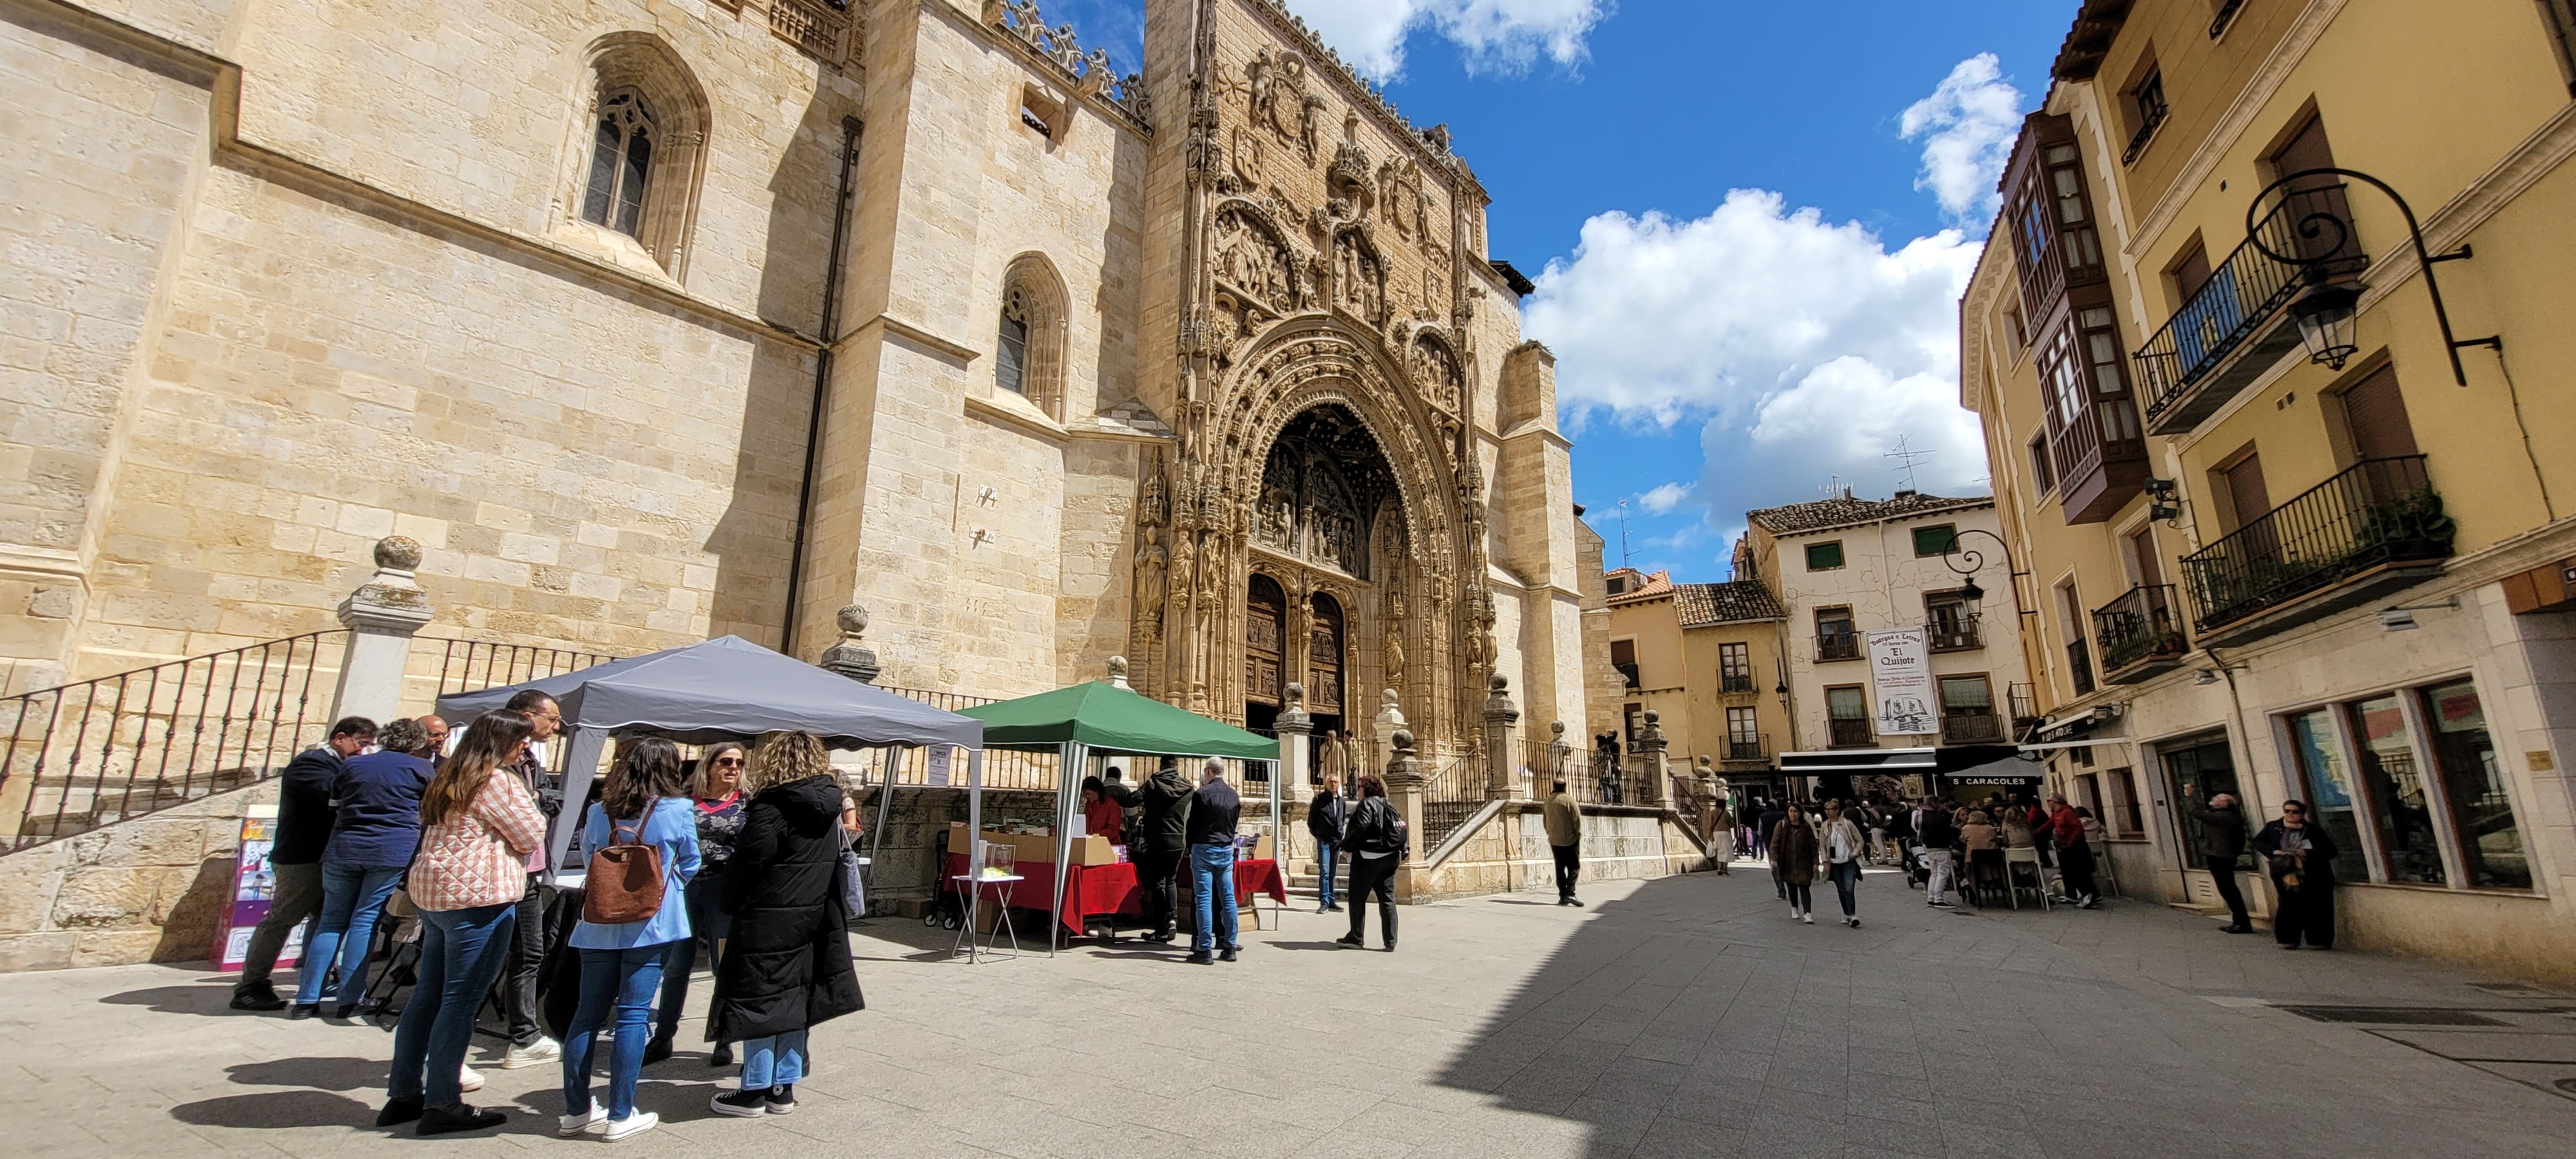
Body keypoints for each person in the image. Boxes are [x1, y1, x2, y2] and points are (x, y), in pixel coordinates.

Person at [379, 710, 544, 1136]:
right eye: (520, 740)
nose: (525, 747)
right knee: (461, 1000)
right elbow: (531, 835)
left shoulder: (449, 773)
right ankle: (443, 1102)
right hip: (479, 897)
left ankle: (404, 1093)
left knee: (428, 995)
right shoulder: (498, 780)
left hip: (435, 896)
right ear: (501, 742)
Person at [708, 731, 864, 1117]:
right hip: (811, 915)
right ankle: (784, 1087)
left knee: (760, 998)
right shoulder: (828, 807)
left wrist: (728, 902)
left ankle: (755, 1089)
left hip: (767, 916)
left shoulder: (772, 807)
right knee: (795, 996)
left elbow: (749, 861)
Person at [557, 739, 699, 1141]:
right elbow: (690, 860)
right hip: (652, 922)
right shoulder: (676, 809)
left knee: (587, 1015)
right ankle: (621, 1112)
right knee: (634, 1015)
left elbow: (589, 856)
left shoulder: (598, 811)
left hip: (599, 920)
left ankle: (576, 1109)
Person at [233, 715, 374, 1012]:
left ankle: (317, 978)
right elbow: (332, 793)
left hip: (327, 857)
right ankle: (251, 985)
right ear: (340, 738)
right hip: (302, 858)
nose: (363, 752)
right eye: (360, 744)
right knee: (283, 918)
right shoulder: (311, 764)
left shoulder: (338, 764)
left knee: (325, 919)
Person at [293, 717, 430, 1019]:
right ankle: (350, 998)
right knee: (365, 922)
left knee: (331, 921)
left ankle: (306, 999)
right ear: (417, 742)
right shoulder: (422, 769)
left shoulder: (353, 766)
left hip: (344, 847)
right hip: (389, 850)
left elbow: (335, 802)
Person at [649, 740, 750, 1067]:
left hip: (724, 893)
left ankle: (724, 1037)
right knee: (677, 966)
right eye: (726, 762)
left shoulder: (748, 804)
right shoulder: (684, 803)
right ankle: (663, 1036)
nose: (733, 768)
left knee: (724, 966)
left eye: (738, 763)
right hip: (685, 889)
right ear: (709, 766)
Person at [495, 689, 565, 1069]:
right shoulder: (494, 770)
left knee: (530, 952)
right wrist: (535, 800)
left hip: (530, 872)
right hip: (504, 874)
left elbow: (546, 802)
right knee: (499, 957)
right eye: (551, 719)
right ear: (525, 715)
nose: (556, 726)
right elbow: (523, 820)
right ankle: (522, 1036)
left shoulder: (528, 761)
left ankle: (524, 1032)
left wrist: (540, 796)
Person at [1102, 758, 1193, 943]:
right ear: (1176, 767)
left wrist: (1112, 794)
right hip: (1178, 841)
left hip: (1157, 840)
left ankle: (1160, 930)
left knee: (1159, 883)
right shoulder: (1188, 787)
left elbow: (1130, 801)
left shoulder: (1152, 783)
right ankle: (1173, 920)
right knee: (1171, 881)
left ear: (1160, 767)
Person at [2254, 800, 2338, 950]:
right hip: (2285, 873)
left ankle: (2319, 940)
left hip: (2314, 873)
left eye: (2295, 812)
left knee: (2317, 906)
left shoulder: (2313, 830)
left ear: (2302, 814)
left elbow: (2331, 851)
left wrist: (2308, 853)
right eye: (2287, 811)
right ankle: (2288, 939)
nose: (2290, 815)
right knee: (2288, 905)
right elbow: (2259, 842)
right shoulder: (2274, 827)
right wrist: (2275, 852)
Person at [1184, 759, 1244, 965]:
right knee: (1228, 898)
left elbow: (1192, 825)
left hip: (1203, 847)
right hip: (1225, 849)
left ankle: (1204, 947)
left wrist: (1190, 846)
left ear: (1209, 771)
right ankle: (1229, 946)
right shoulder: (1234, 795)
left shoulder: (1201, 795)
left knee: (1204, 898)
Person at [1336, 775, 1401, 950]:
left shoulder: (1366, 804)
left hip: (1368, 858)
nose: (1357, 791)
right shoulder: (1389, 804)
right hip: (1390, 857)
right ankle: (1390, 940)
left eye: (1359, 787)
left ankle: (1356, 937)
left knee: (1357, 897)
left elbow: (1361, 827)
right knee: (1387, 898)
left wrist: (1347, 846)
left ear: (1366, 789)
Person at [2188, 792, 2254, 933]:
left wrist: (2189, 795)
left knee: (2229, 890)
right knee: (2227, 890)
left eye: (2217, 798)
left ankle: (2242, 923)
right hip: (2218, 855)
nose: (2214, 799)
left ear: (2225, 803)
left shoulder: (2225, 817)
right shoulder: (2220, 816)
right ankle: (2239, 921)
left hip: (2220, 856)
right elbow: (2203, 812)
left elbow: (2197, 812)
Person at [2045, 793, 2100, 909]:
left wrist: (2070, 842)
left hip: (2074, 846)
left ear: (2055, 802)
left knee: (2079, 872)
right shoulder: (2056, 814)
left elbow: (2078, 828)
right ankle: (2080, 896)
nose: (2048, 803)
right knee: (2070, 872)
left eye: (2049, 801)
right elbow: (2048, 825)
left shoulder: (2067, 812)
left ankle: (2089, 897)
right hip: (2065, 845)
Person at [1769, 802, 1819, 923]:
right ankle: (1794, 908)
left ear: (1800, 813)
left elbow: (1813, 845)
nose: (1793, 814)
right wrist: (1774, 858)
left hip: (1804, 861)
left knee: (1804, 886)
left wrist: (1816, 862)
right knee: (1791, 885)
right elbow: (1775, 843)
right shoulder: (1782, 825)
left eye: (1796, 811)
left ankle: (1808, 912)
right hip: (1787, 860)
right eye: (1791, 811)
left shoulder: (1806, 827)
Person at [1819, 800, 1864, 928]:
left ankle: (1853, 915)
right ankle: (1847, 913)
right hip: (1834, 862)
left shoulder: (1846, 824)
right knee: (1841, 889)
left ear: (1837, 810)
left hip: (1848, 860)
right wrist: (1825, 860)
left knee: (1849, 888)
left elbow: (1859, 840)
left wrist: (1855, 853)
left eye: (1831, 809)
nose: (1829, 812)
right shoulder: (1825, 826)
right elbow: (1822, 845)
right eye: (1826, 809)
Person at [1306, 772, 1347, 913]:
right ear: (1326, 784)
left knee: (1332, 873)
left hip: (1337, 841)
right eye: (1331, 782)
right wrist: (1319, 835)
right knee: (1324, 870)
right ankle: (1324, 901)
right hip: (1324, 839)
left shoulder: (1342, 802)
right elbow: (1311, 822)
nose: (1333, 784)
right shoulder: (1319, 800)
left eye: (1336, 782)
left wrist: (1341, 835)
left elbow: (1342, 819)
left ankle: (1331, 900)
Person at [1543, 778, 1583, 905]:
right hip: (1569, 839)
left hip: (1555, 839)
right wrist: (1578, 834)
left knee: (1559, 868)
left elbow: (1545, 820)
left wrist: (1550, 833)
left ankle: (1562, 895)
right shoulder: (1569, 800)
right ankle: (1570, 893)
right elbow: (1576, 819)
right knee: (1574, 867)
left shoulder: (1548, 801)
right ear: (1565, 787)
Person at [1916, 798, 1958, 909]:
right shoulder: (1937, 817)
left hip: (1929, 847)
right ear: (1934, 803)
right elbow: (1947, 830)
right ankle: (1938, 898)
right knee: (1943, 873)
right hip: (1941, 846)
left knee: (1934, 873)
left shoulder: (1921, 815)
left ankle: (1931, 897)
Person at [1079, 775, 1125, 851]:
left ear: (1097, 791)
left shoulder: (1112, 805)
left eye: (1089, 794)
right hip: (1092, 844)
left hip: (1109, 846)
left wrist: (1095, 835)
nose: (1087, 797)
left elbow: (1113, 830)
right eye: (1085, 794)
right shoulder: (1089, 804)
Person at [1756, 799, 1786, 897]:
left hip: (1770, 844)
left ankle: (1781, 890)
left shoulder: (1763, 816)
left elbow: (1760, 832)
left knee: (1774, 867)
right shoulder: (1782, 815)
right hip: (1784, 843)